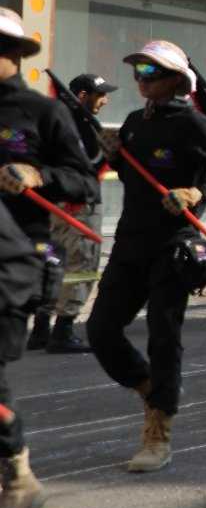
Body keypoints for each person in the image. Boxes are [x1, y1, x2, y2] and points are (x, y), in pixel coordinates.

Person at [88, 41, 206, 472]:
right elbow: (132, 176)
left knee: (163, 334)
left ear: (177, 80)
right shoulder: (132, 122)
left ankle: (159, 430)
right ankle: (152, 389)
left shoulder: (195, 124)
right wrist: (112, 156)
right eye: (139, 71)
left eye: (152, 72)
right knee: (101, 330)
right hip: (131, 243)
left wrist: (199, 191)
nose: (142, 79)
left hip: (173, 246)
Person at [0, 12, 98, 508]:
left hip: (12, 260)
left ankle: (17, 472)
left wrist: (38, 174)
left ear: (17, 53)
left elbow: (86, 183)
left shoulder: (44, 113)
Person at [36, 72, 114, 355]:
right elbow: (87, 165)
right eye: (100, 95)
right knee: (82, 265)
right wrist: (109, 150)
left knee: (54, 263)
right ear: (82, 96)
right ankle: (64, 329)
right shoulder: (78, 126)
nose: (105, 101)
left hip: (56, 207)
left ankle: (41, 328)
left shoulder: (53, 122)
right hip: (79, 207)